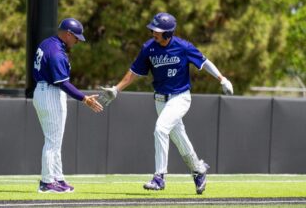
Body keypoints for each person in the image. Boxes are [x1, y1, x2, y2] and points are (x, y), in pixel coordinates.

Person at [99, 12, 233, 194]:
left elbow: (205, 62)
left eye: (158, 30)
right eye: (153, 29)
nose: (153, 32)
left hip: (180, 98)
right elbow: (134, 72)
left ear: (168, 33)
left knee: (161, 129)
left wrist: (222, 79)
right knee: (180, 139)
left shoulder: (183, 46)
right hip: (160, 100)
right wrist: (116, 89)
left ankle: (159, 177)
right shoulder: (149, 48)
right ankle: (198, 169)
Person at [33, 18, 103, 193]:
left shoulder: (48, 43)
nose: (78, 41)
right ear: (68, 34)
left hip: (44, 90)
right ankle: (47, 182)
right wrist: (84, 99)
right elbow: (63, 83)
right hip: (50, 92)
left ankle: (58, 178)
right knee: (52, 141)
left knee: (55, 140)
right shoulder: (56, 51)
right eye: (76, 37)